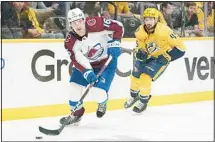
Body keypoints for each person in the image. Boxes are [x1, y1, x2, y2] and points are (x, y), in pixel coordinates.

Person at [60, 8, 124, 125]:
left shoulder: (96, 23)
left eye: (79, 21)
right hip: (88, 64)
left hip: (107, 62)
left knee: (97, 93)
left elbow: (118, 26)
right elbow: (78, 59)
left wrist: (115, 43)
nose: (78, 25)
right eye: (74, 23)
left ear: (84, 20)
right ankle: (76, 114)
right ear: (70, 25)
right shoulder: (70, 41)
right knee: (74, 88)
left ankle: (103, 102)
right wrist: (87, 72)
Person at [124, 8, 186, 113]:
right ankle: (134, 96)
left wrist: (167, 56)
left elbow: (181, 49)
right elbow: (140, 46)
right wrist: (140, 52)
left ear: (156, 19)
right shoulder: (140, 31)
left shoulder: (165, 31)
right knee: (134, 75)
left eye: (151, 19)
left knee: (145, 76)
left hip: (159, 59)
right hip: (147, 56)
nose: (148, 22)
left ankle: (143, 101)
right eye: (146, 19)